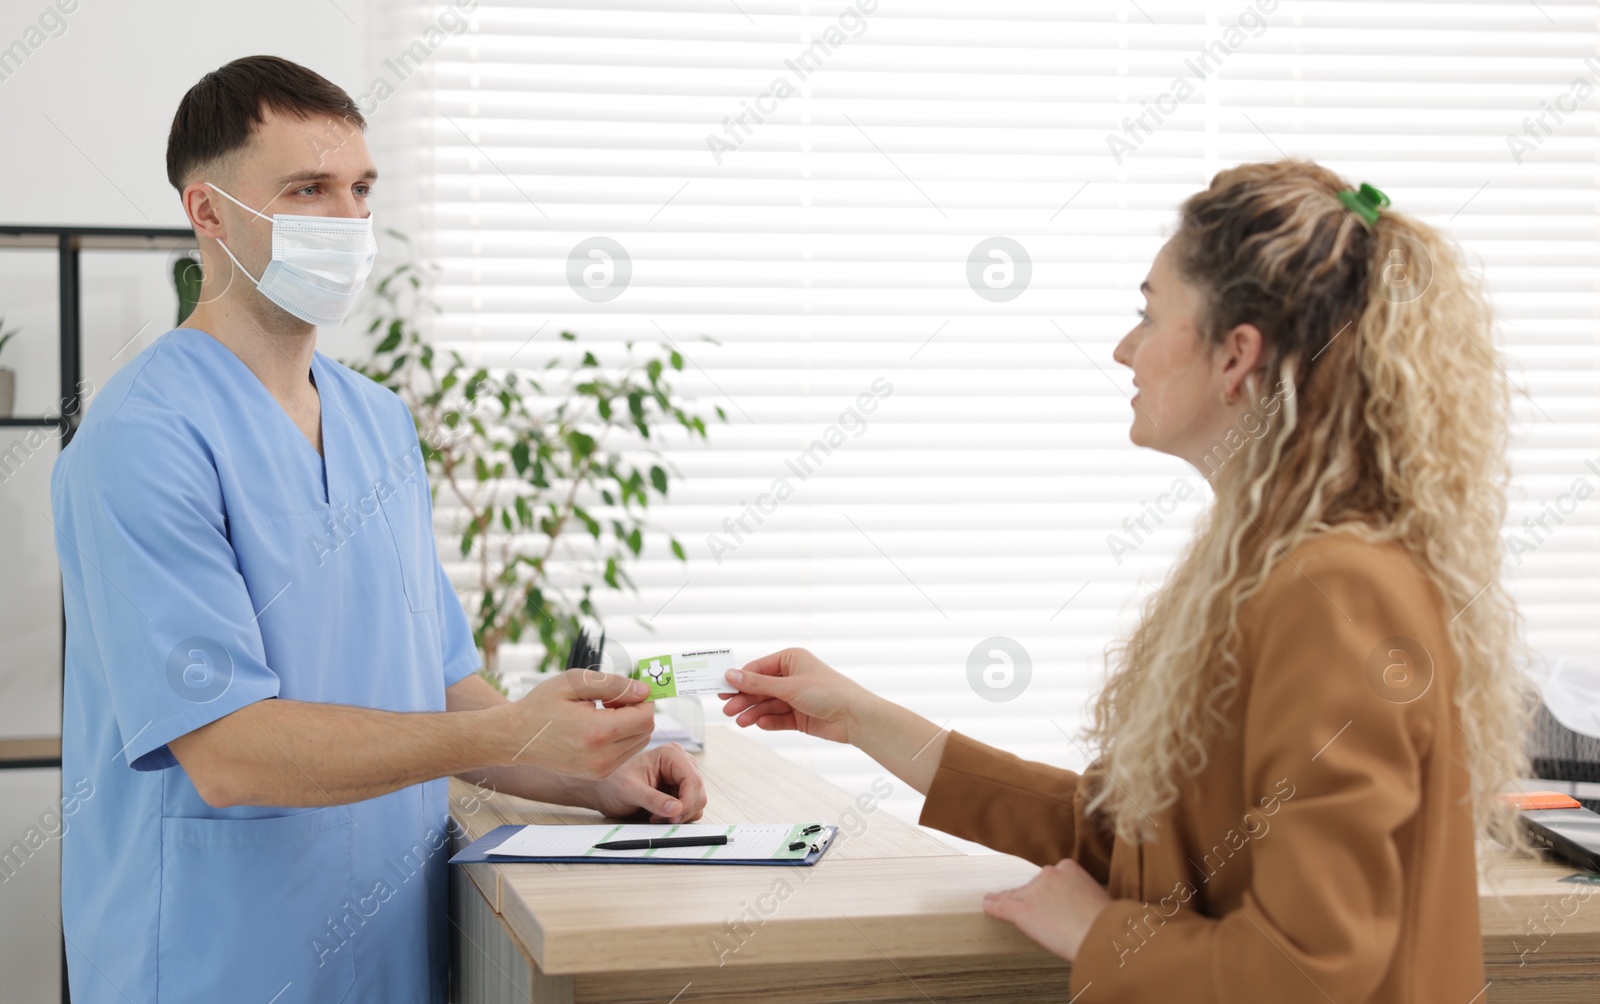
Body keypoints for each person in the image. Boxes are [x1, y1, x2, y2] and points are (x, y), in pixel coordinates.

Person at [720, 161, 1531, 1003]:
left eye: (1148, 315)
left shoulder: (1334, 591)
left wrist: (1096, 932)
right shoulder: (1268, 563)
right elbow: (1132, 836)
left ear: (1235, 356)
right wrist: (863, 719)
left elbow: (1310, 971)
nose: (1122, 348)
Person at [50, 55, 705, 1004]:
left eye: (360, 189)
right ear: (210, 213)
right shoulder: (141, 440)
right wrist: (525, 735)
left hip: (389, 953)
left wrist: (597, 777)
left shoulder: (378, 421)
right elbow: (228, 752)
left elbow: (437, 688)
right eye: (307, 189)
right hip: (213, 961)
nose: (348, 221)